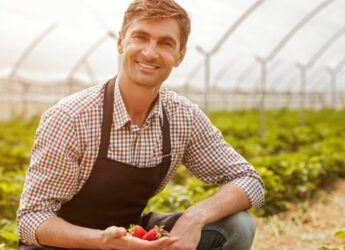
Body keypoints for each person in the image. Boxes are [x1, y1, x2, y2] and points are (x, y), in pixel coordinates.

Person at [17, 0, 265, 249]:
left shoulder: (183, 117)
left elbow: (248, 179)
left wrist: (195, 217)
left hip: (131, 237)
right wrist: (103, 242)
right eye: (141, 37)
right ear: (121, 42)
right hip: (62, 244)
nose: (150, 52)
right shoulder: (71, 117)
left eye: (165, 43)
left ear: (180, 55)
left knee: (237, 226)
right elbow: (32, 218)